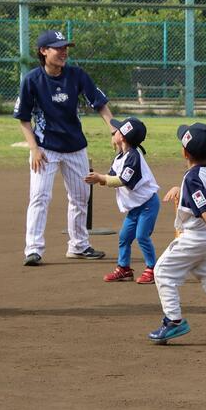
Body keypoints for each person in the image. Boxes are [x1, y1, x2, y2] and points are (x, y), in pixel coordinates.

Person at [14, 29, 115, 266]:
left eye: (65, 47)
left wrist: (114, 129)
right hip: (45, 149)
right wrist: (33, 149)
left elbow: (99, 103)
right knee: (39, 196)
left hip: (75, 147)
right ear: (43, 51)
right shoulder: (32, 80)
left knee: (81, 197)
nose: (63, 52)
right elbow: (24, 119)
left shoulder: (76, 75)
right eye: (58, 47)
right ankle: (33, 249)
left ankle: (79, 246)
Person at [148, 123, 206, 346]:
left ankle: (174, 321)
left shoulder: (192, 178)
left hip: (198, 237)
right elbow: (199, 192)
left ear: (185, 152)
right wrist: (179, 189)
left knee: (162, 272)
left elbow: (203, 206)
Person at [84, 117, 159, 285]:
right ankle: (124, 268)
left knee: (142, 236)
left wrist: (101, 178)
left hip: (148, 205)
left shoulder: (133, 157)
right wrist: (98, 179)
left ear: (123, 137)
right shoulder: (121, 157)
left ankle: (152, 269)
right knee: (124, 237)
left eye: (117, 130)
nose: (114, 132)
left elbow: (121, 181)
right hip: (135, 208)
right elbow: (111, 179)